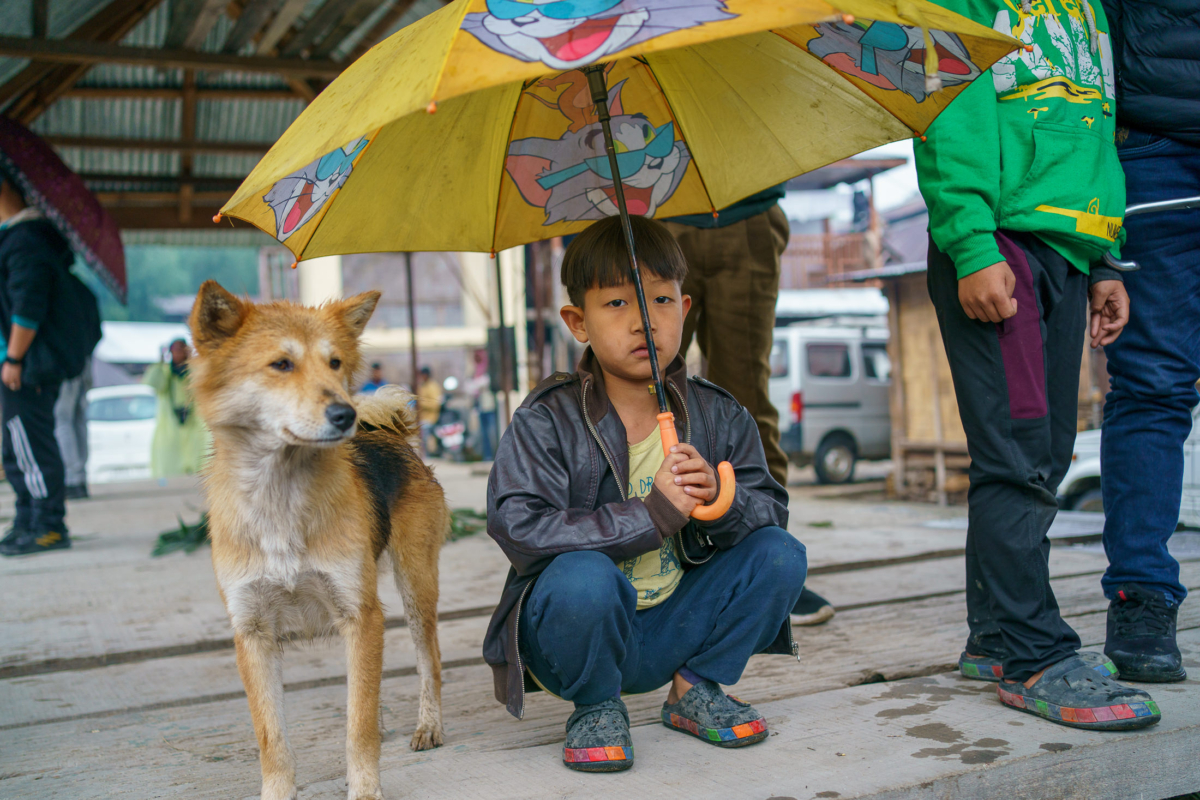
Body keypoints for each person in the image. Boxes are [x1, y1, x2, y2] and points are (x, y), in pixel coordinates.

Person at [484, 215, 806, 773]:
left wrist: (722, 504)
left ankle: (694, 688)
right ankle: (595, 705)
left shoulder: (718, 412)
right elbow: (519, 528)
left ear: (684, 309)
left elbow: (769, 509)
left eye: (659, 300)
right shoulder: (546, 418)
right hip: (577, 634)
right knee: (582, 577)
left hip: (677, 630)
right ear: (577, 321)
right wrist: (651, 514)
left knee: (782, 552)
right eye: (616, 304)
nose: (642, 321)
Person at [915, 0, 1160, 728]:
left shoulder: (1090, 10)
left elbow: (1094, 139)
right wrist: (971, 240)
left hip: (1069, 250)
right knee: (1016, 455)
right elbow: (948, 107)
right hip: (1003, 246)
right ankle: (1034, 657)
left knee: (1046, 454)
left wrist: (1106, 257)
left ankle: (993, 634)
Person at [1096, 0, 1200, 683]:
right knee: (1153, 384)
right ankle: (1142, 598)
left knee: (1153, 386)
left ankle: (1142, 598)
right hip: (1156, 144)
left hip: (1152, 143)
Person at [0, 177, 72, 556]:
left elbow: (28, 306)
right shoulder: (20, 237)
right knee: (16, 447)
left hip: (26, 365)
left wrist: (13, 358)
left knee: (30, 444)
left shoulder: (26, 240)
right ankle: (28, 517)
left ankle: (48, 524)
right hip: (20, 364)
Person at [143, 338, 209, 479]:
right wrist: (161, 361)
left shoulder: (193, 371)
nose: (179, 353)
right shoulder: (165, 372)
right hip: (171, 425)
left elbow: (205, 378)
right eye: (175, 349)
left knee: (199, 457)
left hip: (193, 424)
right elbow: (153, 383)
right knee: (169, 459)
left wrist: (193, 359)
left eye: (182, 349)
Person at [54, 355, 92, 500]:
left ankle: (71, 478)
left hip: (65, 362)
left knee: (63, 420)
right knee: (78, 418)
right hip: (82, 358)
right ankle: (80, 477)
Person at [467, 349, 498, 461]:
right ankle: (487, 456)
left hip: (489, 405)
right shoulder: (475, 371)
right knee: (483, 433)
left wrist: (477, 386)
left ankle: (496, 454)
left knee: (492, 432)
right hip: (480, 406)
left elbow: (483, 384)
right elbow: (471, 388)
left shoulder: (488, 370)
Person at [416, 365, 442, 455]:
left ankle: (427, 455)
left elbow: (435, 404)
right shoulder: (422, 386)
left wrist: (421, 403)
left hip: (431, 418)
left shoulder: (433, 386)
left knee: (424, 436)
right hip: (422, 417)